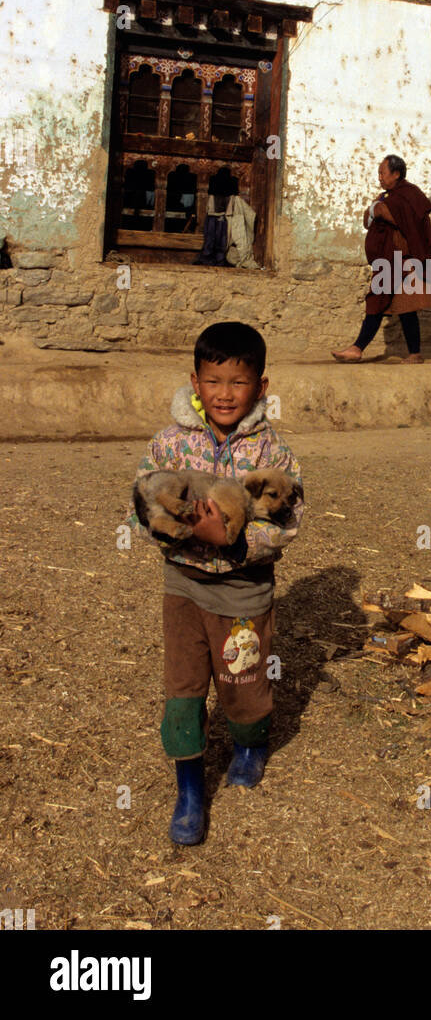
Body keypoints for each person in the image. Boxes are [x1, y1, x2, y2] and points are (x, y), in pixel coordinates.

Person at [129, 321, 303, 845]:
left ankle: (250, 744)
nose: (224, 393)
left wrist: (231, 539)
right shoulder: (169, 443)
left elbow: (289, 525)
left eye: (238, 381)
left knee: (242, 686)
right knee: (182, 692)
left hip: (244, 594)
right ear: (195, 381)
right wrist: (179, 531)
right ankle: (189, 791)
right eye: (213, 380)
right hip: (182, 587)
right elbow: (142, 501)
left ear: (262, 387)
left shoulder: (274, 457)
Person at [332, 154, 431, 364]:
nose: (379, 177)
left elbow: (401, 220)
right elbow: (369, 220)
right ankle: (413, 353)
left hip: (403, 259)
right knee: (402, 306)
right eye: (379, 173)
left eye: (383, 172)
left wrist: (378, 209)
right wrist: (375, 209)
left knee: (381, 300)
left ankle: (357, 348)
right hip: (392, 260)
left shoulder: (407, 195)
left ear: (396, 174)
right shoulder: (388, 197)